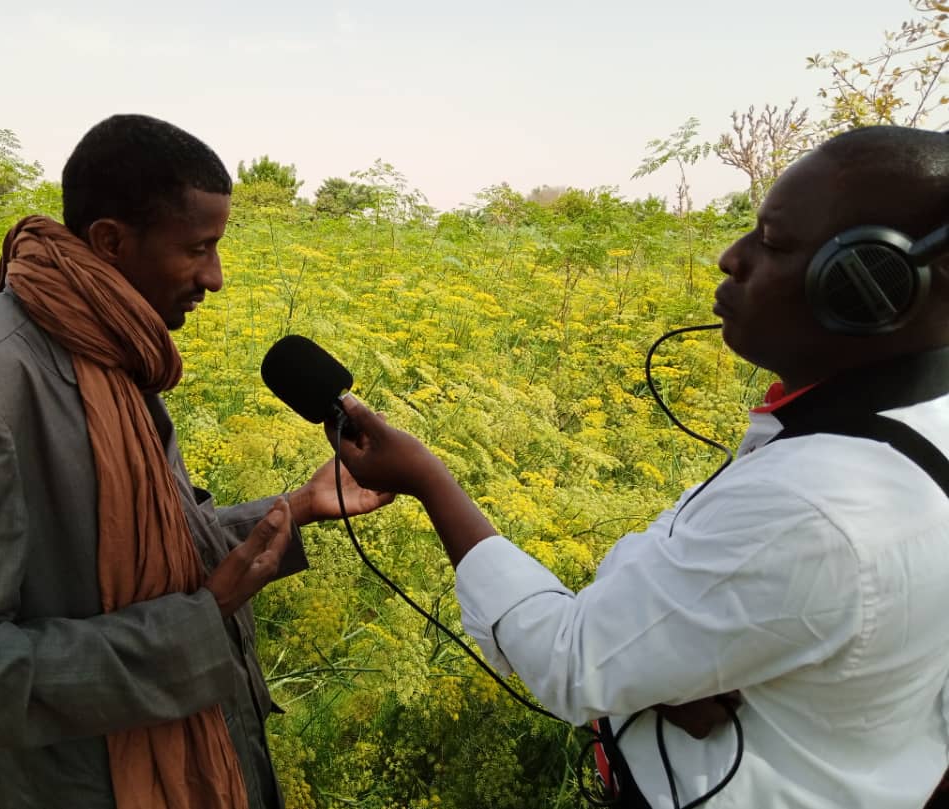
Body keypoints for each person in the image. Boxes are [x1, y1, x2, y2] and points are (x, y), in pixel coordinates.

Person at [323, 125, 949, 809]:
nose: (729, 256)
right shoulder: (888, 433)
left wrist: (429, 478)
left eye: (772, 243)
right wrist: (678, 656)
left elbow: (572, 658)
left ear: (873, 285)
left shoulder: (817, 504)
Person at [0, 114, 391, 809]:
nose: (217, 277)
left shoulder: (106, 346)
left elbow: (139, 562)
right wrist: (199, 625)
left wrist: (299, 506)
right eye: (198, 248)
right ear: (110, 241)